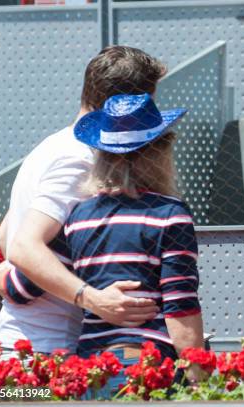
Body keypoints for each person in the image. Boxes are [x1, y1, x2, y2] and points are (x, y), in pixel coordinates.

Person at [0, 46, 166, 356]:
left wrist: (6, 279)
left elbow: (8, 232)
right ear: (124, 105)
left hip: (24, 348)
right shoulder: (80, 160)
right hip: (47, 354)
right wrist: (94, 299)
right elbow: (23, 246)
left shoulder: (51, 146)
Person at [68, 93, 203, 359]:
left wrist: (5, 271)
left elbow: (30, 283)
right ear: (159, 154)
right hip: (147, 364)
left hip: (89, 367)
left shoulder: (78, 217)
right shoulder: (170, 215)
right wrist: (199, 375)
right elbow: (180, 306)